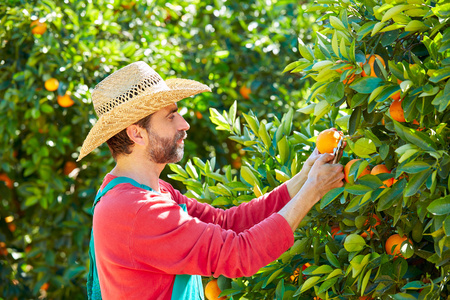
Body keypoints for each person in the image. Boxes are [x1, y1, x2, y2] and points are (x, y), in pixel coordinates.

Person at [77, 61, 344, 299]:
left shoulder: (152, 193)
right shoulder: (136, 209)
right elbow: (240, 254)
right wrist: (313, 190)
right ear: (137, 134)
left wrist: (305, 176)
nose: (184, 124)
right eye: (171, 116)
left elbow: (226, 222)